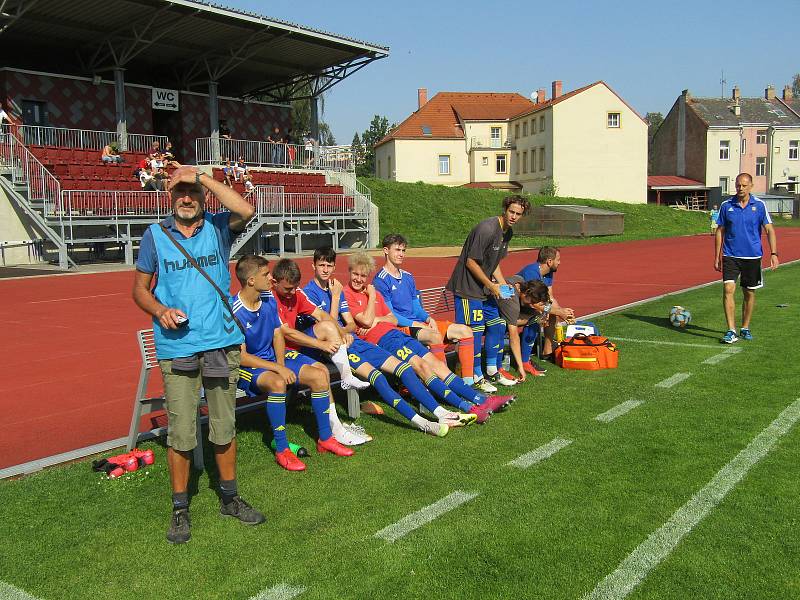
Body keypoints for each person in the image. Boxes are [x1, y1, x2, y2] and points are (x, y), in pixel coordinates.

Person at [132, 164, 263, 545]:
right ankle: (179, 509)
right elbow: (140, 290)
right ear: (170, 196)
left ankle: (230, 497)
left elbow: (247, 211)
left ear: (203, 196)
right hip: (177, 348)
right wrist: (159, 311)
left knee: (224, 426)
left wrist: (202, 176)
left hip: (219, 343)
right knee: (182, 431)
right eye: (180, 192)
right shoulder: (155, 236)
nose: (187, 199)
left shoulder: (218, 228)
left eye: (193, 193)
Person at [346, 252, 516, 422]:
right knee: (421, 366)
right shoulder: (351, 294)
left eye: (363, 275)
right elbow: (367, 321)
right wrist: (373, 298)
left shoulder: (372, 292)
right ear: (349, 272)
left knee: (436, 365)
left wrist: (378, 318)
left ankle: (482, 400)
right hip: (382, 341)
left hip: (397, 334)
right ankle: (467, 408)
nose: (359, 279)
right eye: (355, 274)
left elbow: (392, 318)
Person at [302, 247, 456, 434]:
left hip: (352, 340)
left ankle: (440, 412)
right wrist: (335, 301)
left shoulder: (336, 287)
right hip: (332, 348)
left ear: (334, 267)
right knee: (380, 378)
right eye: (321, 265)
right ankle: (422, 423)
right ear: (313, 266)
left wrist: (344, 330)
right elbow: (327, 326)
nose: (325, 269)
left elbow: (349, 323)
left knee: (404, 368)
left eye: (329, 265)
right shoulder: (310, 292)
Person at [233, 255, 355, 471]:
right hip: (247, 368)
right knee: (278, 383)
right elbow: (240, 357)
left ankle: (325, 439)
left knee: (319, 377)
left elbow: (278, 333)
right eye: (265, 274)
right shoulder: (235, 310)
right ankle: (282, 449)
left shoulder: (267, 300)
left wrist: (281, 364)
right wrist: (278, 369)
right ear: (251, 280)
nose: (270, 278)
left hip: (272, 361)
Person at [269, 257, 374, 446]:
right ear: (274, 283)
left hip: (296, 347)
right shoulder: (270, 299)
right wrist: (321, 345)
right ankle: (335, 429)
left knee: (327, 326)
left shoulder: (296, 293)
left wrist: (340, 331)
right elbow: (285, 332)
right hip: (278, 352)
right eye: (287, 289)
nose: (292, 292)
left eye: (295, 287)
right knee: (322, 373)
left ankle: (346, 377)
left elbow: (321, 314)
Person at [445, 195, 531, 393]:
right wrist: (491, 286)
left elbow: (494, 263)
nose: (514, 217)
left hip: (485, 289)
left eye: (518, 214)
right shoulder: (487, 228)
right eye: (512, 212)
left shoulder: (507, 233)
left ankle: (492, 370)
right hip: (467, 289)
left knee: (498, 325)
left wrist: (501, 285)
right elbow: (470, 262)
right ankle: (475, 375)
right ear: (505, 209)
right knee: (473, 333)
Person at [373, 233, 476, 385]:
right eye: (397, 250)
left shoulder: (408, 276)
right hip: (400, 328)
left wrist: (428, 318)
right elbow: (391, 316)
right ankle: (445, 384)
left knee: (465, 331)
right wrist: (417, 324)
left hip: (419, 325)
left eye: (403, 250)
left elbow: (416, 308)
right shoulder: (381, 280)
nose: (401, 254)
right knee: (434, 336)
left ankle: (468, 383)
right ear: (386, 250)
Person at [714, 172, 779, 343]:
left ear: (751, 186)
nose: (740, 188)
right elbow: (720, 231)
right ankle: (731, 330)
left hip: (752, 257)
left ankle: (745, 327)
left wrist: (774, 254)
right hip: (730, 256)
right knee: (728, 290)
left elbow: (770, 230)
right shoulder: (726, 205)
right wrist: (717, 256)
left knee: (748, 293)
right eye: (737, 185)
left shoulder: (760, 205)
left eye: (743, 185)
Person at [517, 246, 574, 366]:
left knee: (552, 312)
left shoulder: (548, 273)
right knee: (538, 317)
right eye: (558, 259)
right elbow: (534, 302)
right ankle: (525, 358)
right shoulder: (531, 272)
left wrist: (563, 312)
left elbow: (550, 298)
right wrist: (557, 312)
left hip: (530, 305)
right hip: (517, 306)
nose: (560, 262)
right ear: (549, 261)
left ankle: (547, 351)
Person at [487, 278, 551, 380]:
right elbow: (514, 337)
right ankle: (498, 368)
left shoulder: (521, 281)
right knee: (501, 325)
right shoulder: (512, 302)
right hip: (486, 317)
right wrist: (519, 366)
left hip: (501, 314)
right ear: (526, 293)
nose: (533, 304)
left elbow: (548, 302)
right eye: (533, 301)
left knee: (536, 317)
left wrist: (545, 312)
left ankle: (525, 361)